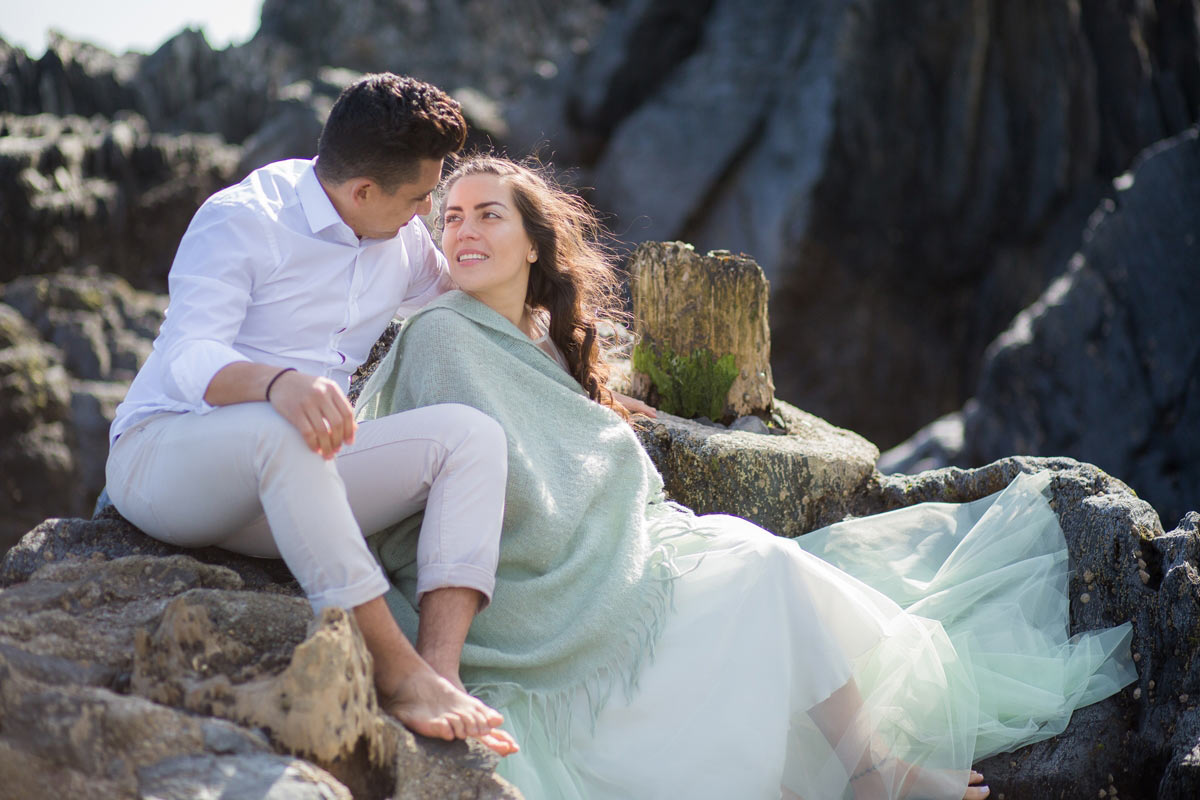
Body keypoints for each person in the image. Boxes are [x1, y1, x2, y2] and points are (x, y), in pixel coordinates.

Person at [354, 155, 1138, 799]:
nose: (462, 229)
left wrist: (600, 412)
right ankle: (865, 776)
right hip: (543, 589)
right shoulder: (440, 336)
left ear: (533, 242)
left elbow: (560, 428)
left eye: (488, 213)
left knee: (763, 563)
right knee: (754, 568)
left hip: (622, 553)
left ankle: (870, 772)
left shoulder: (540, 341)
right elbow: (487, 474)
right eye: (450, 216)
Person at [104, 74, 517, 754]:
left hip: (294, 490)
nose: (425, 216)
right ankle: (395, 669)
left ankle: (440, 669)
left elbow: (470, 292)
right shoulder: (243, 218)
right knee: (284, 431)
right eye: (418, 199)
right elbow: (187, 355)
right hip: (167, 459)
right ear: (362, 193)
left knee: (470, 438)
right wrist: (278, 384)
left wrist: (578, 342)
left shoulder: (400, 240)